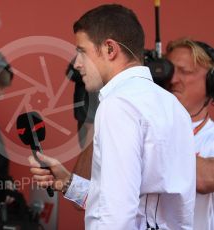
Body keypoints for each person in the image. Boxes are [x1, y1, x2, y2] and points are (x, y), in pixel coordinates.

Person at [30, 4, 196, 229]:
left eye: (82, 51)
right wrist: (69, 183)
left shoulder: (118, 105)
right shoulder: (173, 106)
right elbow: (133, 203)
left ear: (110, 49)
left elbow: (117, 213)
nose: (77, 64)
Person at [166, 38, 214, 230]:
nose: (172, 80)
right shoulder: (136, 127)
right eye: (168, 70)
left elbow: (205, 179)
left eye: (184, 72)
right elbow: (85, 187)